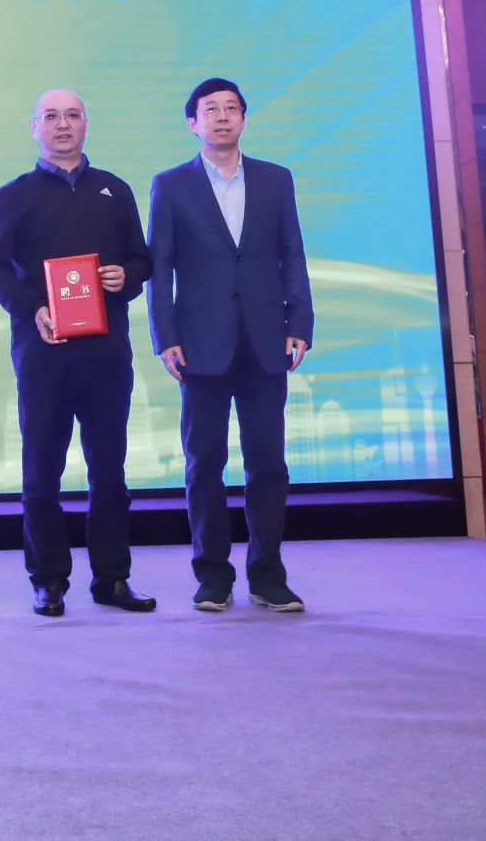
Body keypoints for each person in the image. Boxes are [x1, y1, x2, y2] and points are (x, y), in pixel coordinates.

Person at [0, 88, 155, 618]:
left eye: (72, 115)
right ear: (34, 127)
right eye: (51, 117)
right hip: (43, 350)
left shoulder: (114, 189)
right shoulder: (13, 194)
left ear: (86, 124)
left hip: (106, 351)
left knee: (110, 471)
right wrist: (33, 307)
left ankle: (112, 578)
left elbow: (142, 260)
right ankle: (48, 580)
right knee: (42, 471)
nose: (62, 125)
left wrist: (126, 277)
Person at [148, 78, 314, 614]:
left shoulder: (276, 179)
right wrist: (166, 337)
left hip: (266, 338)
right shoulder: (170, 185)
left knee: (268, 463)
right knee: (204, 463)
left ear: (244, 119)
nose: (222, 117)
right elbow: (160, 268)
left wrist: (300, 321)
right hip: (200, 343)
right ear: (192, 123)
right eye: (210, 109)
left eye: (231, 108)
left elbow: (292, 252)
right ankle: (213, 576)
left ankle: (268, 575)